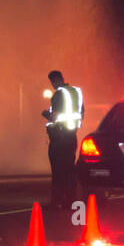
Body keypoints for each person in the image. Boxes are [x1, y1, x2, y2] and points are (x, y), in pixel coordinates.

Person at [42, 69, 83, 210]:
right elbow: (81, 113)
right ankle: (71, 200)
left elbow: (55, 116)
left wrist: (46, 114)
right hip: (71, 136)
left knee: (58, 171)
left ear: (56, 80)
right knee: (69, 170)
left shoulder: (59, 94)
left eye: (52, 82)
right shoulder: (76, 92)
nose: (52, 85)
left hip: (59, 137)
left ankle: (56, 201)